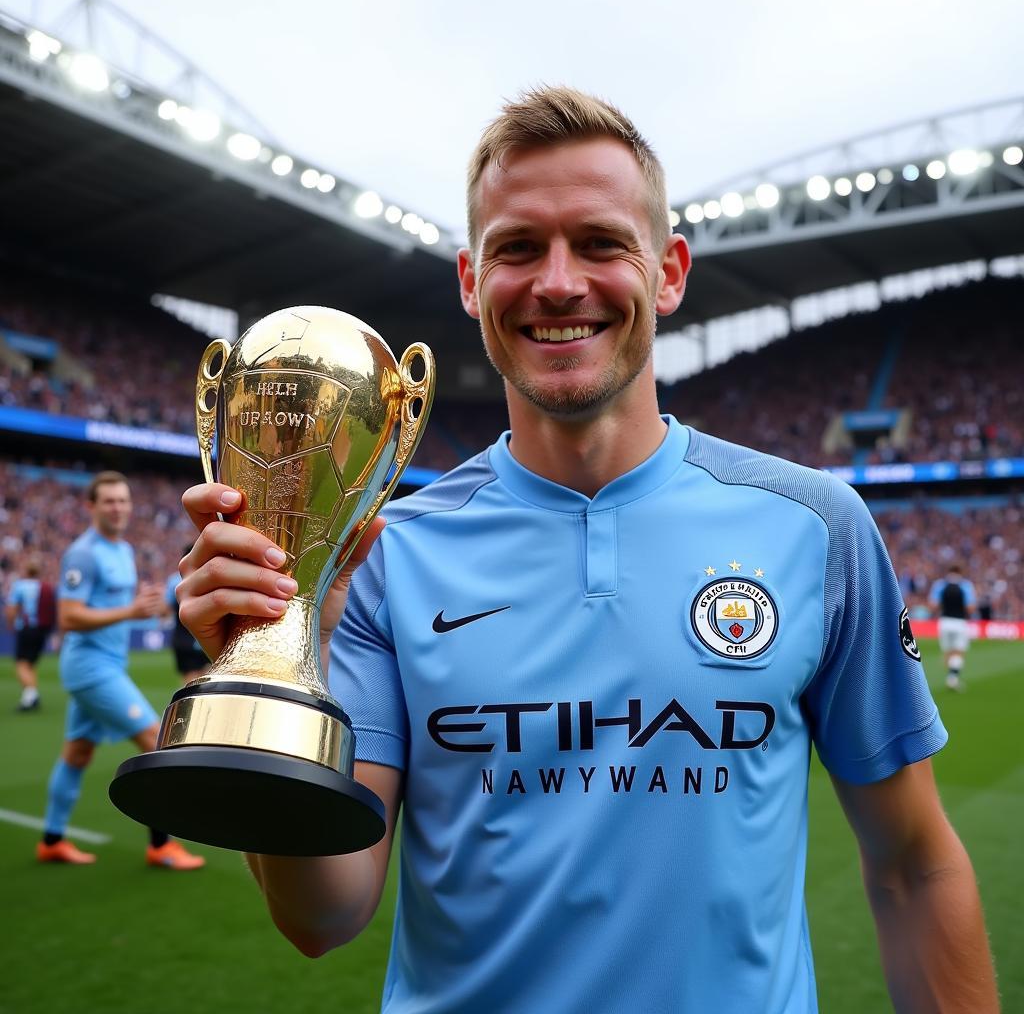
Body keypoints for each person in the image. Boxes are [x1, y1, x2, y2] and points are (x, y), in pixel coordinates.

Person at [175, 88, 998, 1012]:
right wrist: (272, 670)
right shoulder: (380, 554)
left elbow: (914, 868)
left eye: (602, 243)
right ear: (470, 281)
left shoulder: (813, 527)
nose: (558, 283)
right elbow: (324, 915)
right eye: (517, 248)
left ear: (671, 271)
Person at [37, 470, 205, 870]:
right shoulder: (83, 553)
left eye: (123, 500)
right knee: (155, 740)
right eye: (109, 500)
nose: (118, 507)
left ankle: (51, 840)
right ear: (90, 506)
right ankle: (161, 845)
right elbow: (70, 617)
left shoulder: (125, 550)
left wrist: (145, 607)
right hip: (90, 668)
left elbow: (112, 608)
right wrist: (131, 610)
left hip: (109, 664)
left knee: (77, 754)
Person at [5, 556, 54, 711]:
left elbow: (12, 608)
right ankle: (31, 695)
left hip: (26, 628)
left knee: (21, 663)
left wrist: (11, 624)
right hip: (42, 629)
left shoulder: (20, 586)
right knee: (30, 663)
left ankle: (30, 696)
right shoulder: (44, 586)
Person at [164, 546, 209, 684]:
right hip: (205, 639)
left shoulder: (174, 581)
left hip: (184, 640)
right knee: (209, 682)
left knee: (191, 685)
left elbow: (165, 609)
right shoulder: (208, 577)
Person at [929, 564, 977, 691]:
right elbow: (970, 608)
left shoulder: (940, 585)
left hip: (944, 621)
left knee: (948, 653)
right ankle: (952, 678)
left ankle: (950, 677)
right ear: (960, 572)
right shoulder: (965, 585)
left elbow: (933, 605)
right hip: (959, 622)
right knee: (958, 652)